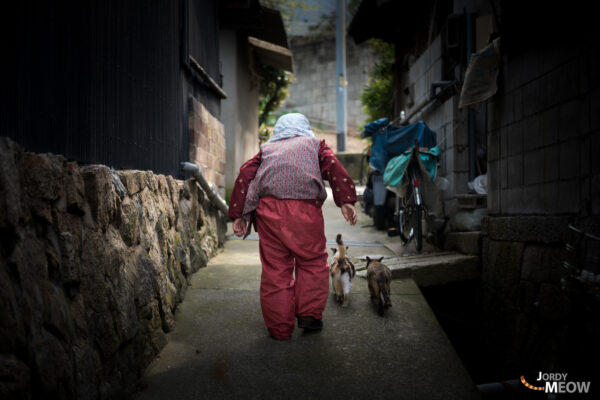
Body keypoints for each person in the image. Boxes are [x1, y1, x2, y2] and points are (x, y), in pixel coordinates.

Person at [228, 113, 357, 340]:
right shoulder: (315, 144)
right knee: (312, 262)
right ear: (305, 129)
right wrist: (345, 200)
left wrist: (239, 215)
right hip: (305, 212)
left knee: (275, 269)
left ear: (278, 131)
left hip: (268, 212)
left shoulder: (267, 148)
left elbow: (246, 174)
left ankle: (279, 328)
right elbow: (333, 167)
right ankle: (309, 315)